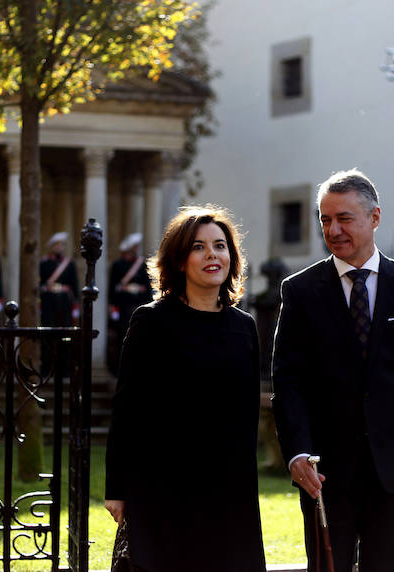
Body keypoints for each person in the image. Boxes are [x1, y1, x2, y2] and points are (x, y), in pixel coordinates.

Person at [271, 169, 394, 572]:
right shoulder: (299, 291)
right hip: (325, 474)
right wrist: (298, 451)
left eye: (344, 218)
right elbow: (288, 380)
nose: (333, 229)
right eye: (325, 219)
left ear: (375, 218)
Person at [105, 206, 266, 572]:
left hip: (227, 487)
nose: (212, 254)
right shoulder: (151, 321)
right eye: (198, 247)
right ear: (178, 260)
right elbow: (127, 408)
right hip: (161, 483)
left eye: (220, 246)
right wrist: (116, 488)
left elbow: (246, 417)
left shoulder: (245, 326)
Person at [107, 232, 153, 374]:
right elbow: (113, 289)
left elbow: (148, 288)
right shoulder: (118, 265)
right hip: (123, 307)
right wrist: (113, 308)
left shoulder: (142, 265)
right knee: (122, 337)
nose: (136, 249)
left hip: (139, 305)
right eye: (134, 246)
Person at [39, 231, 79, 328]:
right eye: (57, 244)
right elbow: (41, 283)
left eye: (61, 245)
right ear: (52, 246)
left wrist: (76, 303)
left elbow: (74, 283)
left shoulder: (69, 264)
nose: (59, 247)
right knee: (48, 325)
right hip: (49, 299)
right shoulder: (44, 263)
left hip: (65, 299)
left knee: (65, 326)